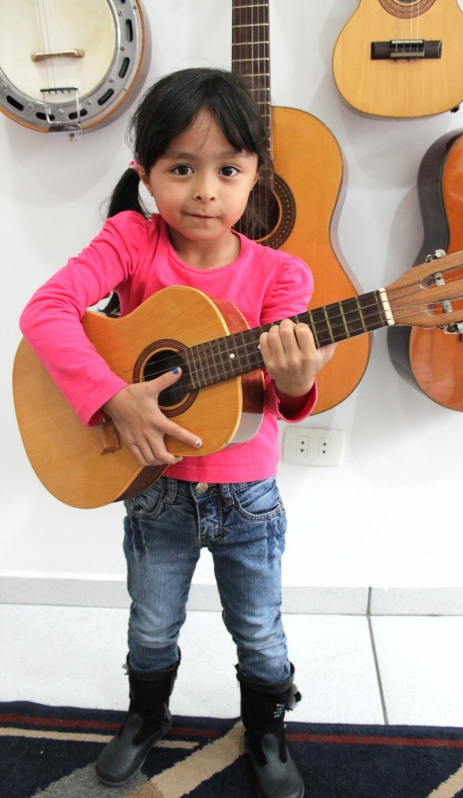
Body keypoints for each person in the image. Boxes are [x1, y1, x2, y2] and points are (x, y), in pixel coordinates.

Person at [19, 68, 335, 797]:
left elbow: (279, 404)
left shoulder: (282, 278)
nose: (205, 191)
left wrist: (294, 381)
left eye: (228, 169)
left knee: (258, 631)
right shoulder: (131, 241)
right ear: (146, 174)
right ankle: (146, 716)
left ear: (257, 175)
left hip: (247, 499)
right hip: (152, 490)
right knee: (151, 627)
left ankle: (264, 727)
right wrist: (110, 399)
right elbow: (45, 313)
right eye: (181, 169)